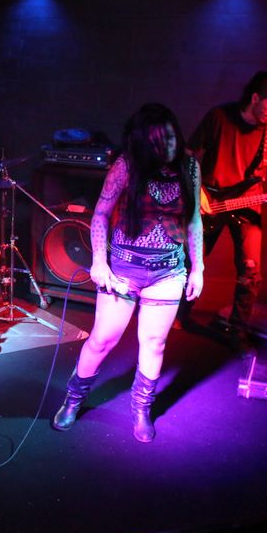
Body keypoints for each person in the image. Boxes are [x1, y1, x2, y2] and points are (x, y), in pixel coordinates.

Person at [52, 103, 203, 443]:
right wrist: (99, 261)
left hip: (168, 270)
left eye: (170, 137)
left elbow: (194, 218)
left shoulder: (190, 165)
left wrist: (199, 267)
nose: (168, 146)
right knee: (103, 340)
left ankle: (141, 409)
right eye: (158, 141)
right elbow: (101, 214)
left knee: (154, 343)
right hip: (124, 267)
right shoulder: (126, 165)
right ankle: (73, 399)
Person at [180, 71, 267, 348]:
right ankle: (177, 315)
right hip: (211, 199)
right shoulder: (219, 117)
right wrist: (197, 190)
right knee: (190, 262)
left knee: (250, 272)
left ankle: (238, 329)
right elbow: (189, 155)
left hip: (248, 203)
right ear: (255, 98)